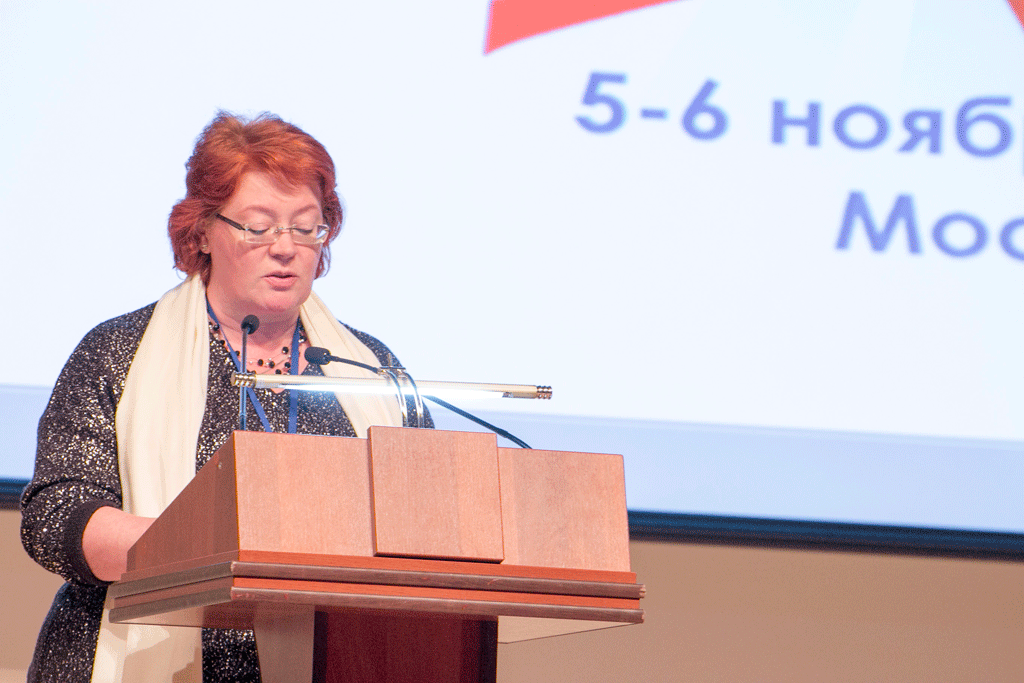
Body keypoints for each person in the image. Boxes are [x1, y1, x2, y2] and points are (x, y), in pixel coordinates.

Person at [21, 112, 426, 683]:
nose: (285, 248)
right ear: (203, 232)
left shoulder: (369, 370)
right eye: (258, 227)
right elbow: (55, 518)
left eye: (306, 228)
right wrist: (210, 550)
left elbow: (423, 521)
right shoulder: (119, 351)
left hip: (328, 659)